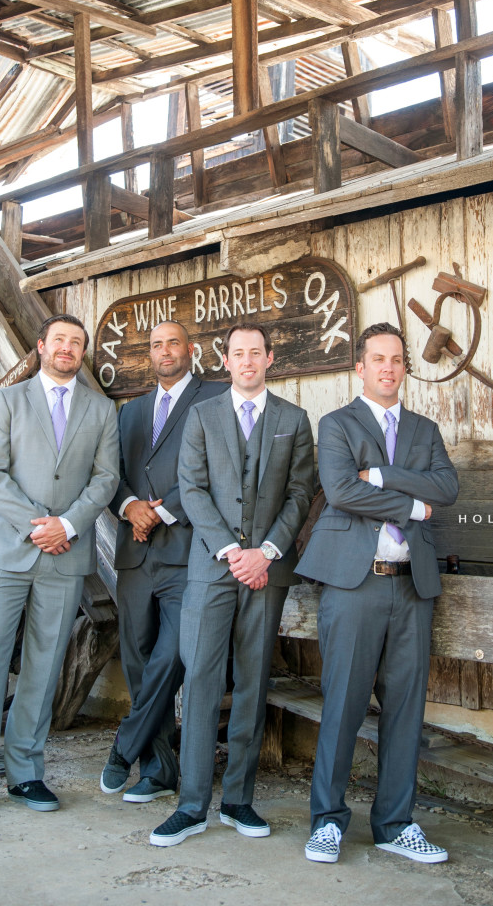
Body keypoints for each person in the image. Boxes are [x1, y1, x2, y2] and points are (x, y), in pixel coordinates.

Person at [0, 314, 120, 817]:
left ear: (83, 352)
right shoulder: (10, 401)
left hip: (65, 555)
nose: (67, 348)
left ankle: (25, 773)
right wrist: (38, 524)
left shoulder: (102, 411)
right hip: (7, 551)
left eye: (76, 343)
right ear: (41, 347)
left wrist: (69, 525)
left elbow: (105, 480)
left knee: (44, 664)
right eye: (59, 340)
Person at [297, 322, 458, 865]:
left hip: (412, 586)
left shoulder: (424, 428)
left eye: (397, 360)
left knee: (406, 709)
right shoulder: (337, 423)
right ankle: (327, 821)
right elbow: (342, 490)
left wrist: (385, 476)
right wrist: (412, 505)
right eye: (378, 359)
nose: (388, 368)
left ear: (404, 368)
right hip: (354, 583)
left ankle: (394, 824)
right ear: (360, 368)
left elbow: (447, 488)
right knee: (342, 703)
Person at [150, 322, 314, 847]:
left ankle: (239, 800)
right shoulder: (201, 415)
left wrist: (264, 552)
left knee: (252, 680)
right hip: (212, 568)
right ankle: (192, 804)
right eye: (237, 353)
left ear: (270, 358)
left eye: (255, 352)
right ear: (225, 361)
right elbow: (192, 491)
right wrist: (231, 551)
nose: (246, 361)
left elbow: (300, 493)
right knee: (199, 677)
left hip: (267, 571)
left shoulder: (294, 418)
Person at [100, 321, 227, 803]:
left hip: (188, 550)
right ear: (149, 355)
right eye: (156, 344)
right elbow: (110, 473)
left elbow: (218, 468)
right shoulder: (129, 412)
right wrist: (130, 506)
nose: (165, 351)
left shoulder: (214, 398)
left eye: (174, 342)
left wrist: (161, 511)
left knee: (172, 655)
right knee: (137, 658)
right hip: (133, 552)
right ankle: (157, 769)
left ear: (191, 350)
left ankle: (123, 746)